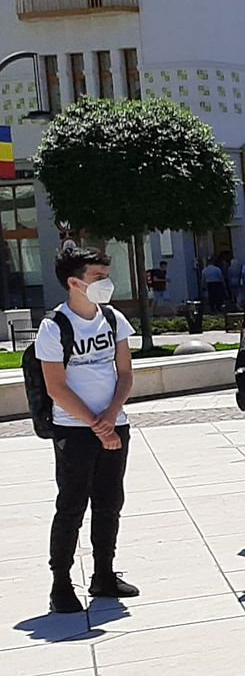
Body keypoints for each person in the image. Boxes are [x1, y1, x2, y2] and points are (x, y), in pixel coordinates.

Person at [38, 246, 137, 615]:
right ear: (74, 283)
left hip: (115, 424)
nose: (105, 284)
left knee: (109, 503)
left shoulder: (113, 319)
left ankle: (104, 574)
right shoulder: (55, 327)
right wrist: (96, 424)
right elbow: (56, 387)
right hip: (75, 431)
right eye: (97, 277)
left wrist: (111, 416)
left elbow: (125, 373)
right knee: (71, 505)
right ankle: (61, 582)